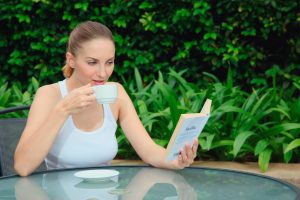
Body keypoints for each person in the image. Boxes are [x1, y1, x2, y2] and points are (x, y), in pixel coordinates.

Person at [14, 21, 198, 176]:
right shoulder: (49, 95)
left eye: (109, 62)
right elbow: (22, 166)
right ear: (71, 60)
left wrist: (173, 160)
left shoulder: (116, 93)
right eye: (92, 62)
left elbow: (148, 150)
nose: (103, 73)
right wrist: (63, 110)